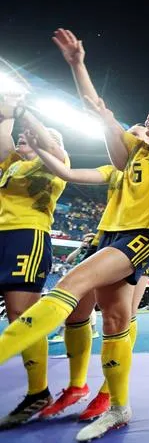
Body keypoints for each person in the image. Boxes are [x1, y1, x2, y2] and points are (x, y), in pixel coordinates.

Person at [0, 26, 149, 441]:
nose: (148, 118)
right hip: (108, 236)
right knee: (113, 319)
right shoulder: (122, 163)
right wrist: (79, 64)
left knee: (72, 287)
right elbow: (96, 109)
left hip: (145, 235)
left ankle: (15, 352)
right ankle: (112, 401)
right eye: (145, 116)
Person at [32, 124, 149, 422]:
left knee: (123, 317)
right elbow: (69, 174)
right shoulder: (116, 171)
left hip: (142, 241)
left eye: (138, 133)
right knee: (75, 312)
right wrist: (39, 148)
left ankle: (109, 392)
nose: (130, 137)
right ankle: (77, 385)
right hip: (105, 240)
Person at [0, 92, 69, 429]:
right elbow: (4, 131)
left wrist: (28, 114)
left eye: (35, 136)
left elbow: (50, 143)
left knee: (21, 314)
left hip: (28, 235)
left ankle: (37, 391)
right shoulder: (11, 163)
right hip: (2, 236)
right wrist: (9, 107)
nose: (25, 139)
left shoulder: (54, 160)